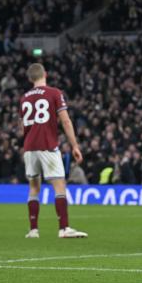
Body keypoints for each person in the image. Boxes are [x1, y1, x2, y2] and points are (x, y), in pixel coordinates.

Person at [20, 63, 87, 238]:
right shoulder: (54, 93)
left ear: (30, 78)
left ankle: (33, 230)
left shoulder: (24, 98)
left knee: (34, 187)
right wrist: (74, 146)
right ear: (45, 74)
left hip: (29, 147)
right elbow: (65, 121)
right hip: (47, 145)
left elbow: (23, 127)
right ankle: (64, 228)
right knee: (59, 185)